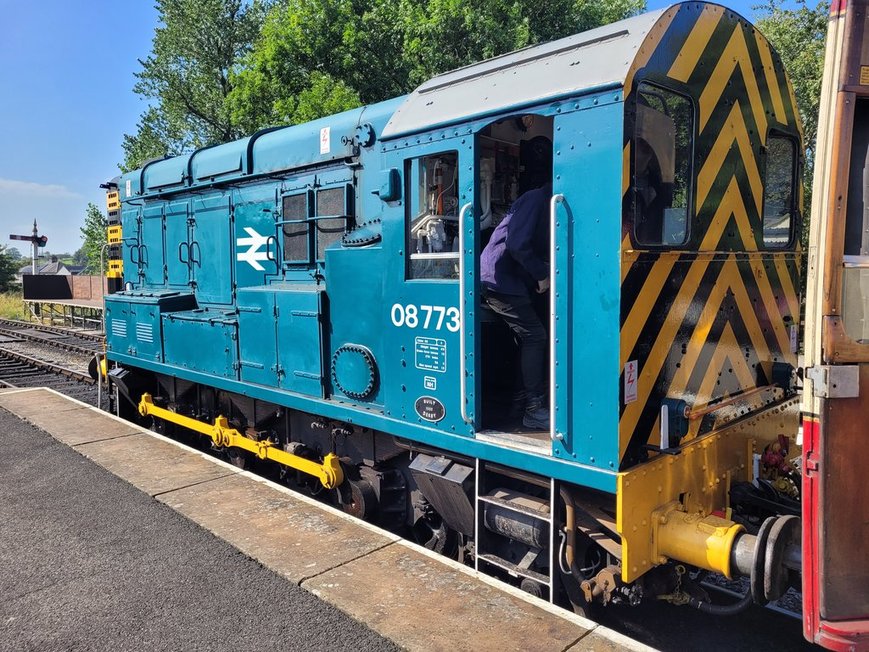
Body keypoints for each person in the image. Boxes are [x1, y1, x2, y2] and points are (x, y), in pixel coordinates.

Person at [480, 135, 552, 430]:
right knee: (535, 336)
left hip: (509, 280)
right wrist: (541, 274)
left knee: (533, 333)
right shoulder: (537, 199)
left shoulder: (543, 202)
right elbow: (518, 244)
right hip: (499, 280)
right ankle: (533, 408)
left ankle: (522, 400)